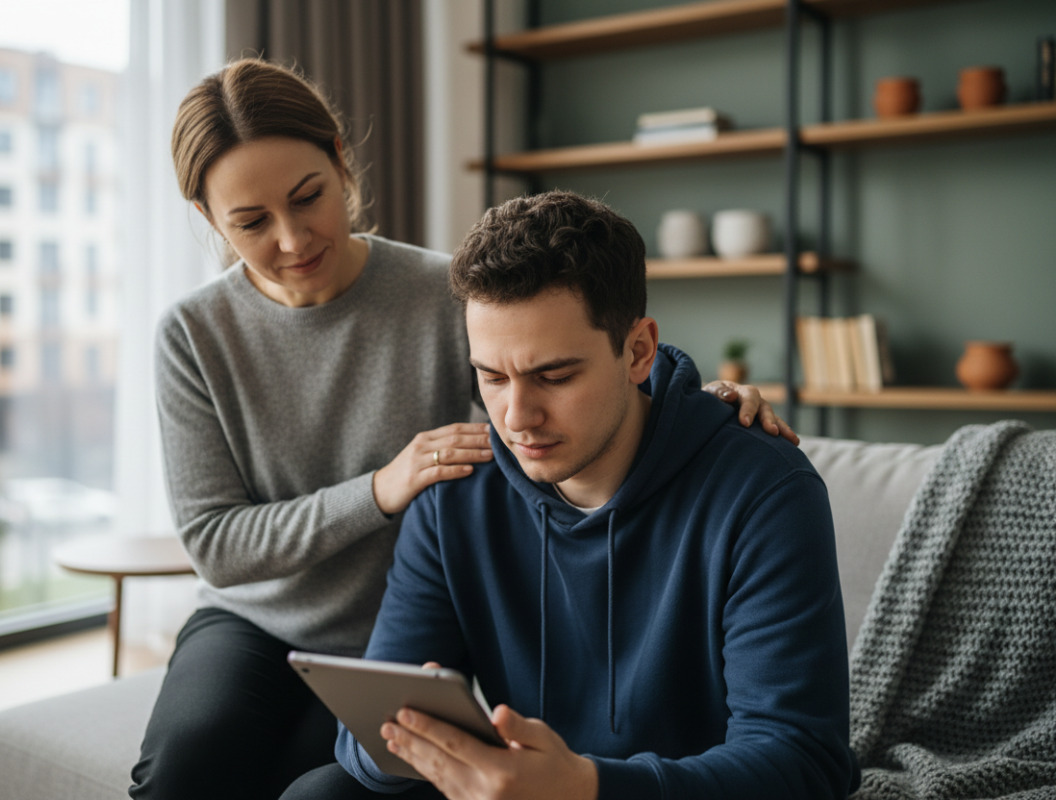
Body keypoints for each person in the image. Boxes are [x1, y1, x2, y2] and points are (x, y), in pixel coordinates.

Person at [131, 58, 796, 799]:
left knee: (312, 778)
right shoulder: (193, 334)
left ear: (341, 164)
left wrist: (695, 399)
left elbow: (576, 346)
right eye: (251, 222)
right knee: (187, 767)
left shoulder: (447, 294)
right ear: (210, 219)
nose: (291, 239)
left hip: (395, 616)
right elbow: (214, 540)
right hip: (269, 618)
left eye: (308, 197)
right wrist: (381, 489)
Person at [284, 190, 859, 800]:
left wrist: (586, 787)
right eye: (491, 377)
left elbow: (800, 759)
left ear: (638, 351)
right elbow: (363, 739)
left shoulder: (764, 490)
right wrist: (408, 736)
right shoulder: (455, 495)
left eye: (554, 376)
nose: (517, 417)